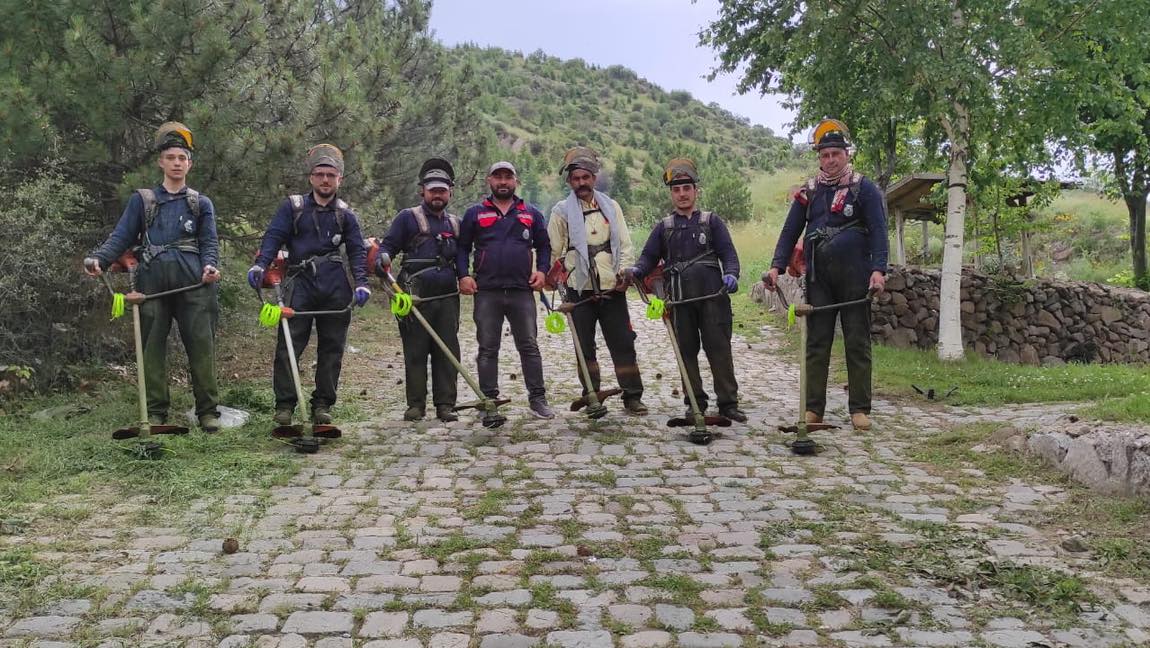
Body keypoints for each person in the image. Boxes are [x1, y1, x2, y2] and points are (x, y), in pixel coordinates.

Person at [84, 122, 222, 432]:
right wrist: (100, 259)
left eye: (182, 158)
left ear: (189, 163)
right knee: (151, 349)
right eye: (171, 157)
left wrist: (210, 266)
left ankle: (208, 412)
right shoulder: (143, 200)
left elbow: (210, 244)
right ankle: (156, 412)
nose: (176, 163)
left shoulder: (201, 203)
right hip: (151, 283)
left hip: (194, 284)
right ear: (160, 162)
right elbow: (120, 237)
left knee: (201, 347)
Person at [762, 121, 888, 431]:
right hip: (819, 277)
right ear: (819, 157)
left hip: (855, 275)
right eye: (824, 155)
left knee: (857, 341)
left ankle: (859, 409)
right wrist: (776, 266)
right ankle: (813, 409)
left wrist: (878, 270)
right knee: (817, 342)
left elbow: (879, 231)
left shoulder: (864, 188)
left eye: (835, 154)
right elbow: (791, 230)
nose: (830, 160)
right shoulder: (810, 191)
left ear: (846, 154)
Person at [248, 144, 370, 426]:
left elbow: (357, 251)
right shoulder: (293, 208)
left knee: (332, 347)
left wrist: (362, 283)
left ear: (339, 178)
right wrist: (260, 264)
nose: (325, 180)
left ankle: (323, 404)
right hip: (298, 283)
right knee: (289, 344)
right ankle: (285, 405)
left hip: (335, 285)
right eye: (320, 174)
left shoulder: (345, 214)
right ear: (311, 177)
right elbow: (273, 237)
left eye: (331, 174)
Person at [623, 158, 746, 423]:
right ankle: (695, 402)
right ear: (671, 193)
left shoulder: (712, 222)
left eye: (686, 188)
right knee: (686, 352)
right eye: (676, 190)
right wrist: (636, 271)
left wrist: (731, 275)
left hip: (714, 298)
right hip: (679, 300)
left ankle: (728, 403)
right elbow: (647, 258)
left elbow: (730, 255)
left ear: (695, 191)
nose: (682, 194)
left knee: (719, 350)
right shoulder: (664, 228)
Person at [548, 146, 647, 415]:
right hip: (578, 290)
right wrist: (554, 279)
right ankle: (591, 394)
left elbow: (625, 244)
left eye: (586, 177)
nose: (581, 183)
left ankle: (632, 395)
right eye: (576, 178)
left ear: (594, 177)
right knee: (584, 345)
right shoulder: (560, 213)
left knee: (623, 342)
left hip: (612, 287)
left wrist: (625, 272)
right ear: (569, 181)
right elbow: (554, 252)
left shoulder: (611, 206)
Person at [457, 161, 553, 425]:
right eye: (497, 177)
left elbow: (544, 246)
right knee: (488, 348)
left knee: (529, 346)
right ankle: (489, 401)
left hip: (522, 290)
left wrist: (542, 271)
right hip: (487, 291)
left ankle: (538, 399)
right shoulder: (475, 213)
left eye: (507, 177)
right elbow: (462, 247)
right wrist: (463, 275)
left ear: (516, 182)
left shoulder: (531, 213)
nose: (502, 182)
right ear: (489, 181)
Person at [377, 158, 462, 423]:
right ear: (422, 190)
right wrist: (383, 257)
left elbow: (466, 257)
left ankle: (445, 404)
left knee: (447, 349)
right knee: (415, 350)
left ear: (450, 192)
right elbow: (388, 246)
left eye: (442, 190)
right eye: (432, 189)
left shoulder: (457, 224)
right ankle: (416, 405)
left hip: (448, 295)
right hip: (413, 296)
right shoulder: (407, 218)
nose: (437, 194)